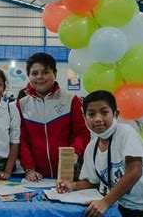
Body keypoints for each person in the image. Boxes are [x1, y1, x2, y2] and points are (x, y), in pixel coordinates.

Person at [17, 52, 90, 181]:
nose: (40, 77)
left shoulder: (71, 100)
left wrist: (75, 152)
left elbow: (82, 133)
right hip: (37, 177)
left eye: (45, 72)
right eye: (34, 73)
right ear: (28, 76)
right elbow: (23, 141)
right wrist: (29, 169)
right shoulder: (22, 105)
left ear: (55, 74)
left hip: (69, 173)